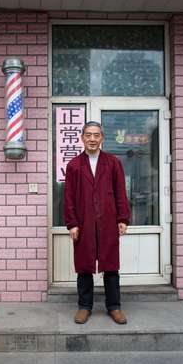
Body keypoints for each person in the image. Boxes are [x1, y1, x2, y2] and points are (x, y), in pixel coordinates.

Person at [64, 121, 131, 325]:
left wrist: (122, 218)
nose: (92, 139)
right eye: (88, 135)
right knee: (84, 266)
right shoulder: (74, 165)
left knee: (111, 266)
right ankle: (84, 307)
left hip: (108, 221)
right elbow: (68, 198)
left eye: (96, 135)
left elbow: (120, 192)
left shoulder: (112, 163)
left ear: (102, 138)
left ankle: (114, 307)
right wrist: (72, 223)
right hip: (83, 222)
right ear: (82, 137)